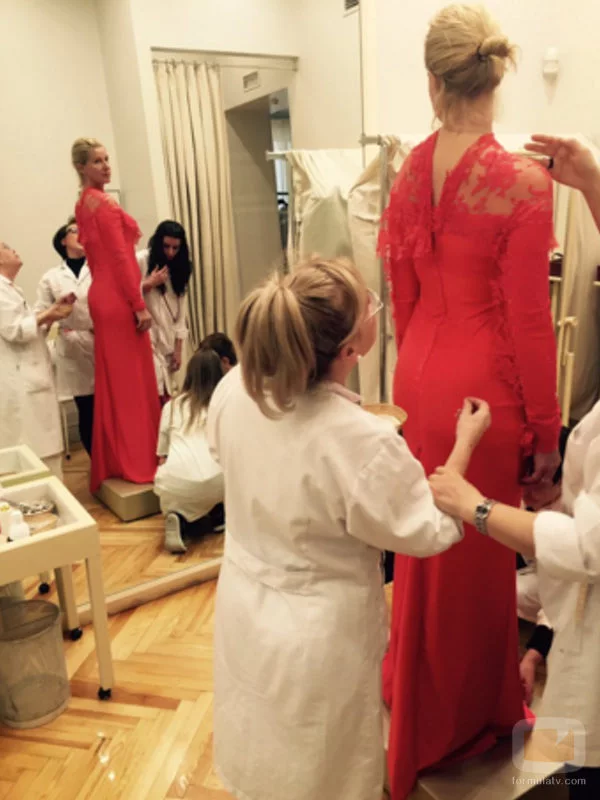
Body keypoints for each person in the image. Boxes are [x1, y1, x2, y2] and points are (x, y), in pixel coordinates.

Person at [206, 256, 491, 800]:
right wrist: (465, 444)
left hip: (245, 601)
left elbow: (230, 457)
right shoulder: (358, 439)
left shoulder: (237, 390)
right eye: (370, 306)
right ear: (350, 350)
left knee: (263, 743)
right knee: (321, 767)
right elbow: (430, 526)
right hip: (317, 635)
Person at [377, 6, 561, 797]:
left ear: (434, 82)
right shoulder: (522, 182)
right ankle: (460, 718)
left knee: (426, 546)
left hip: (418, 379)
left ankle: (418, 695)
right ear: (496, 79)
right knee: (476, 556)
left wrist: (411, 383)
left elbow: (402, 299)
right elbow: (530, 322)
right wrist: (546, 429)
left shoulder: (406, 173)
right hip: (483, 392)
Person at [72, 137, 160, 492]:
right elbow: (121, 258)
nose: (106, 166)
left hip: (103, 294)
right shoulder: (104, 203)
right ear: (81, 167)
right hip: (117, 298)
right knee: (131, 383)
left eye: (107, 159)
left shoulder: (83, 202)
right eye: (97, 161)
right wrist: (138, 305)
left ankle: (120, 458)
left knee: (118, 382)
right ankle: (136, 460)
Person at [0, 241, 72, 477]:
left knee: (44, 447)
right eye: (6, 247)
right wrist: (49, 313)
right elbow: (15, 330)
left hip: (31, 374)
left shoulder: (12, 289)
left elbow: (29, 327)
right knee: (35, 449)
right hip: (20, 379)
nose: (14, 249)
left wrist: (50, 316)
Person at [154, 348, 225, 553]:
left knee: (173, 477)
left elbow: (162, 455)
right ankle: (218, 515)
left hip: (176, 481)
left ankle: (176, 515)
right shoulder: (221, 406)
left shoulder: (171, 407)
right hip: (218, 481)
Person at [35, 218, 95, 455]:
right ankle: (96, 462)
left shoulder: (99, 268)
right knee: (86, 408)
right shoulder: (51, 277)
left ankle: (114, 460)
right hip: (72, 346)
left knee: (109, 407)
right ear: (63, 240)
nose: (80, 233)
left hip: (101, 341)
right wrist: (57, 312)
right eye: (74, 230)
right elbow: (41, 314)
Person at [137, 221, 192, 400]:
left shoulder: (182, 265)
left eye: (175, 248)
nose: (170, 252)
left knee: (170, 392)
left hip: (169, 338)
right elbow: (127, 295)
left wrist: (178, 349)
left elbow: (181, 312)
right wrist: (149, 284)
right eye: (166, 246)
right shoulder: (142, 260)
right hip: (148, 337)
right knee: (154, 393)